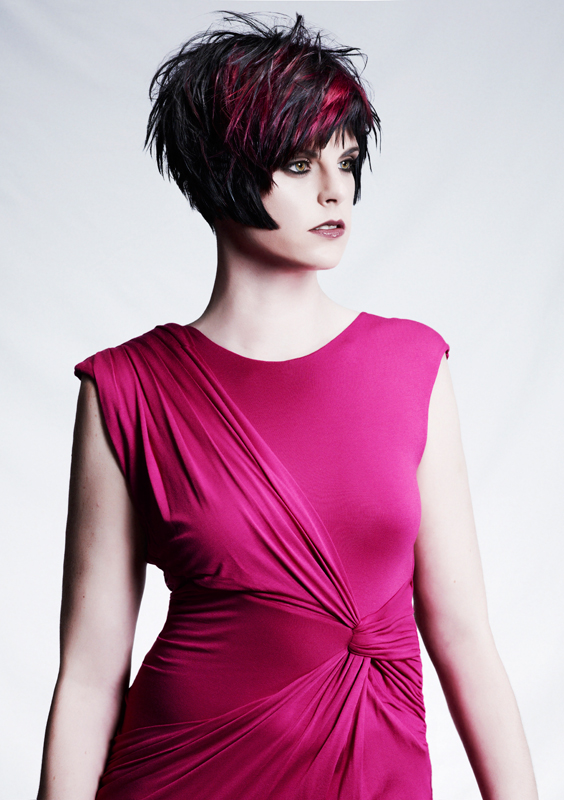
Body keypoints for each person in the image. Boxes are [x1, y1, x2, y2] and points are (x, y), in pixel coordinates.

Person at [37, 13, 538, 800]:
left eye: (347, 161)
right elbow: (91, 672)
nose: (336, 190)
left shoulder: (412, 364)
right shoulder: (126, 387)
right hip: (181, 774)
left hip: (374, 766)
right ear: (220, 172)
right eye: (300, 163)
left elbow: (465, 635)